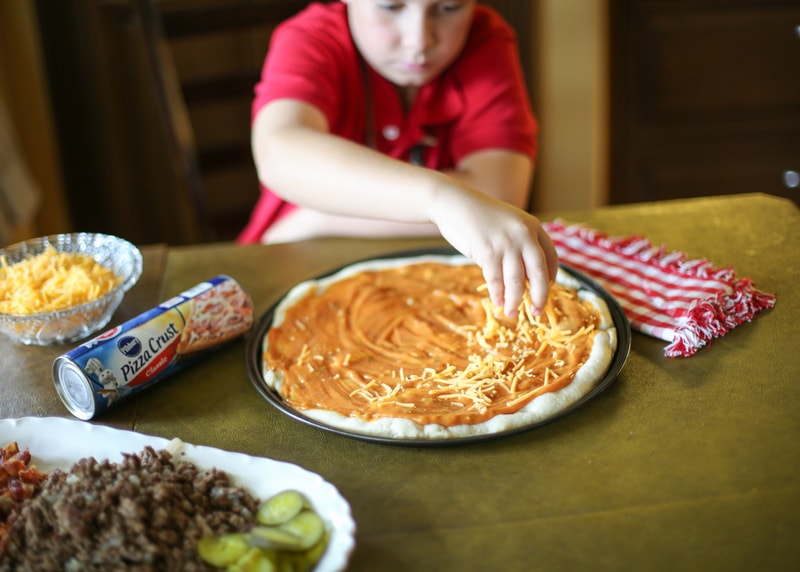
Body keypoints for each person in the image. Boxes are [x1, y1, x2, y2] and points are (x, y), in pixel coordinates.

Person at [238, 0, 558, 316]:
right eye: (390, 7)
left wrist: (316, 219)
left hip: (423, 290)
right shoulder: (312, 39)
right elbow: (280, 153)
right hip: (282, 270)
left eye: (448, 8)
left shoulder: (485, 39)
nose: (419, 40)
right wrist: (442, 200)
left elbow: (497, 194)